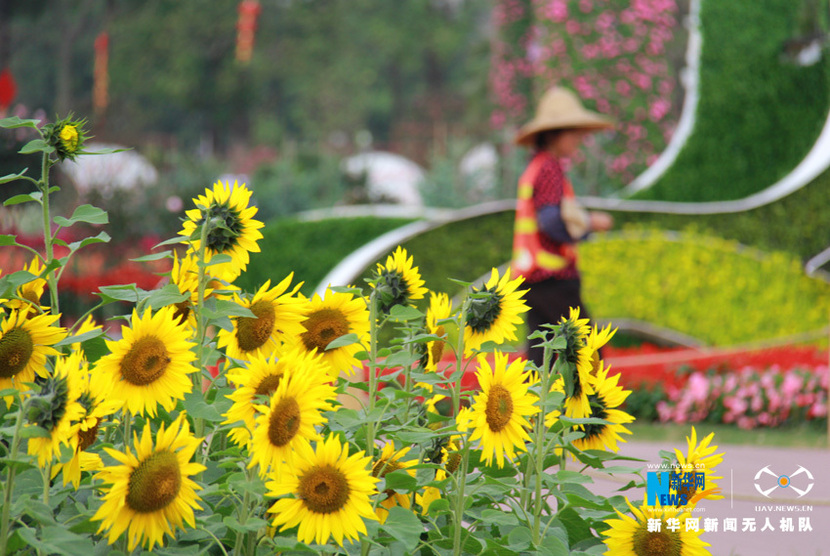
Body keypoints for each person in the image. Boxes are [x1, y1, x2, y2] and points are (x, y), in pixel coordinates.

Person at [511, 86, 615, 369]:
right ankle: (594, 409)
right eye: (574, 132)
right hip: (551, 277)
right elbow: (551, 222)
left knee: (540, 356)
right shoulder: (550, 168)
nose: (579, 139)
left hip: (531, 276)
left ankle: (535, 413)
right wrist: (589, 226)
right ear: (556, 134)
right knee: (587, 349)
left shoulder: (536, 166)